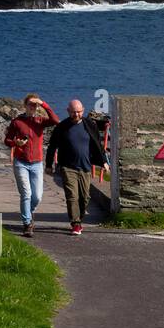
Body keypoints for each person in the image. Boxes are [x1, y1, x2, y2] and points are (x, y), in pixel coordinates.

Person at [46, 98, 109, 236]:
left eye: (79, 112)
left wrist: (104, 162)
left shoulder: (89, 125)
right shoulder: (62, 127)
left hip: (85, 166)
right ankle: (75, 223)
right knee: (72, 196)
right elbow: (52, 147)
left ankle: (79, 218)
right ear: (68, 111)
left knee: (85, 197)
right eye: (73, 112)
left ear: (83, 111)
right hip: (68, 167)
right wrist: (48, 165)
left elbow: (98, 145)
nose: (76, 115)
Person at [3, 93, 58, 237]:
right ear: (25, 105)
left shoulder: (40, 121)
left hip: (37, 163)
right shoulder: (17, 122)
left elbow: (55, 120)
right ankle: (27, 223)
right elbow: (7, 140)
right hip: (21, 162)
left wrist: (44, 103)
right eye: (30, 104)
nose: (33, 107)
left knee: (37, 196)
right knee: (26, 194)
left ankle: (28, 212)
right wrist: (16, 143)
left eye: (35, 105)